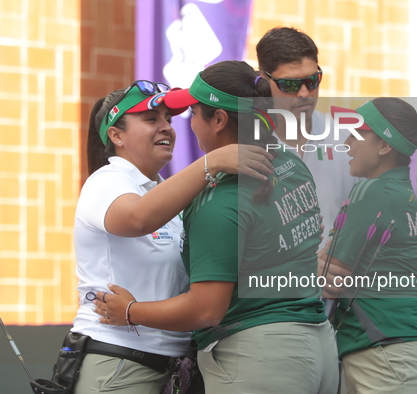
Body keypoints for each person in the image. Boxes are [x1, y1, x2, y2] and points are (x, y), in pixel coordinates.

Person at [93, 61, 339, 393]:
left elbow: (206, 309)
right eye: (153, 119)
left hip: (260, 354)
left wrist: (131, 311)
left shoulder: (219, 197)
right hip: (318, 343)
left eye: (192, 113)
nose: (183, 125)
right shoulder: (291, 162)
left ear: (219, 120)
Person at [69, 80, 273, 393]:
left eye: (169, 119)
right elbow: (137, 218)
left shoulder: (165, 192)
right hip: (118, 365)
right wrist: (212, 161)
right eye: (152, 119)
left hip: (173, 368)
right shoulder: (107, 180)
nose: (166, 127)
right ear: (116, 135)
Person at [255, 26, 417, 254]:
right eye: (289, 84)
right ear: (263, 81)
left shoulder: (348, 135)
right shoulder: (246, 146)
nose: (304, 93)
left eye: (312, 81)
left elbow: (392, 211)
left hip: (346, 284)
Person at [325, 98, 417, 393]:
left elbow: (330, 281)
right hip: (398, 355)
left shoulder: (372, 191)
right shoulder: (402, 194)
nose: (347, 144)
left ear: (384, 146)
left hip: (388, 356)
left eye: (356, 134)